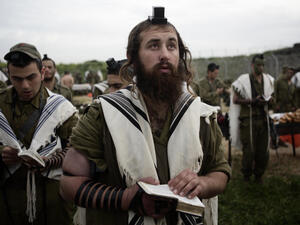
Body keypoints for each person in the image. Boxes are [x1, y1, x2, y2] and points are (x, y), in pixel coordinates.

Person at [60, 7, 231, 225]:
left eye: (172, 46)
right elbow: (68, 183)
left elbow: (220, 172)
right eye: (153, 45)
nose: (165, 55)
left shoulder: (199, 115)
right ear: (132, 58)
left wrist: (202, 184)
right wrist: (125, 199)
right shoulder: (103, 114)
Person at [0, 43, 78, 225]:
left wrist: (49, 161)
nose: (25, 85)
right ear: (8, 75)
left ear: (42, 73)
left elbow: (76, 149)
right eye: (17, 79)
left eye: (31, 77)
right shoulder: (1, 103)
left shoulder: (60, 107)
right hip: (7, 196)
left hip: (50, 196)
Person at [229, 54, 274, 183]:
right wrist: (252, 101)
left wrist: (269, 101)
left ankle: (259, 175)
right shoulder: (243, 81)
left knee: (263, 149)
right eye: (259, 65)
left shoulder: (268, 80)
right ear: (253, 65)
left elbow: (272, 97)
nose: (261, 67)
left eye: (263, 65)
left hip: (263, 119)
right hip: (248, 120)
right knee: (249, 150)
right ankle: (247, 176)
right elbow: (236, 100)